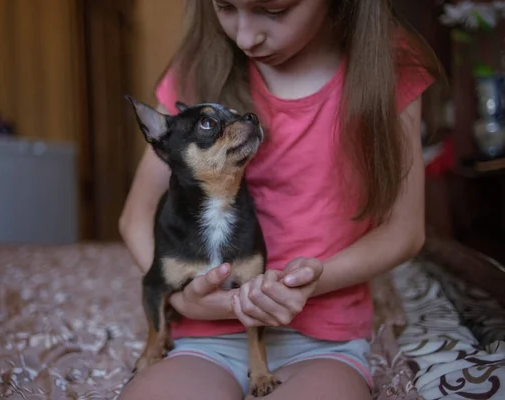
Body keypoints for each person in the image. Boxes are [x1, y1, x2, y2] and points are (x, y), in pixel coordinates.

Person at [118, 0, 440, 399]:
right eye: (225, 7)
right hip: (207, 339)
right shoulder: (201, 63)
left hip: (322, 342)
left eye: (274, 11)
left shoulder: (390, 65)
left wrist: (305, 284)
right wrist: (184, 300)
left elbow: (405, 233)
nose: (245, 36)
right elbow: (135, 217)